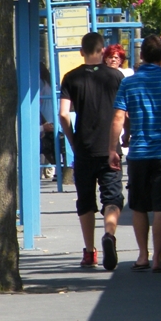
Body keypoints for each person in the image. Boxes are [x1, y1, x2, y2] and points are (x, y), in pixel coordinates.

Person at [113, 34, 161, 273]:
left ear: (142, 56)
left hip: (138, 153)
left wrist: (113, 147)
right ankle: (158, 258)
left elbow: (119, 116)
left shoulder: (129, 83)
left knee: (138, 205)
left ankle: (142, 256)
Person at [58, 33, 127, 270]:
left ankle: (89, 251)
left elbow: (63, 114)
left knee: (85, 200)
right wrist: (124, 136)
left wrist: (73, 140)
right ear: (102, 50)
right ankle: (109, 234)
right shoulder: (116, 77)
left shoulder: (70, 78)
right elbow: (123, 113)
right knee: (112, 197)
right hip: (110, 148)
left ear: (81, 51)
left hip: (84, 148)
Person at [39, 64, 57, 178]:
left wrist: (42, 122)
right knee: (52, 145)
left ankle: (45, 170)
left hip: (45, 117)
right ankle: (54, 168)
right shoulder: (51, 83)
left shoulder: (39, 82)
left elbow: (36, 103)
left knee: (44, 145)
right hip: (53, 117)